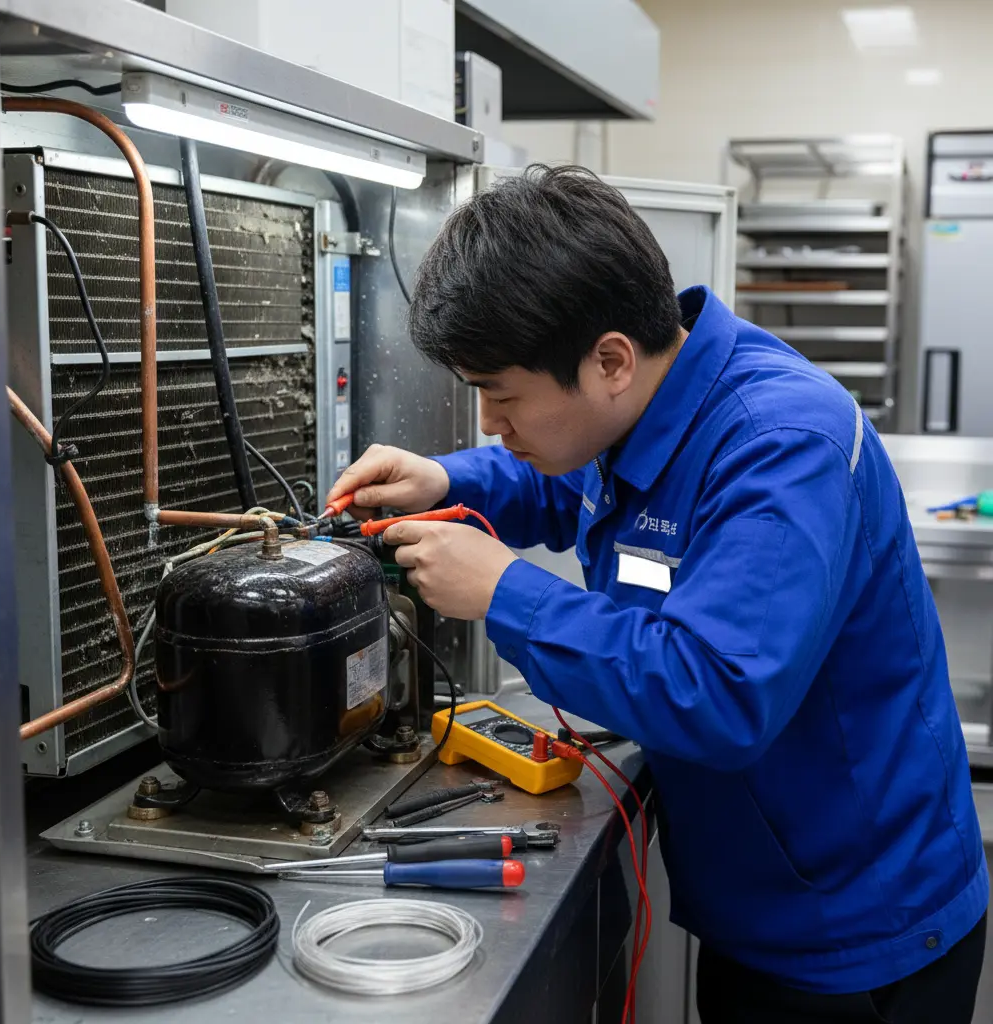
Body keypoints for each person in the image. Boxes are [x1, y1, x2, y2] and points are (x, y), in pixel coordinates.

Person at [325, 165, 988, 1022]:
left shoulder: (781, 447)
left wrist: (504, 593)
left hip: (854, 934)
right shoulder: (647, 399)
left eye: (501, 396)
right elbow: (573, 483)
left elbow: (717, 694)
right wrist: (446, 478)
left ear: (608, 360)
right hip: (763, 900)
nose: (493, 424)